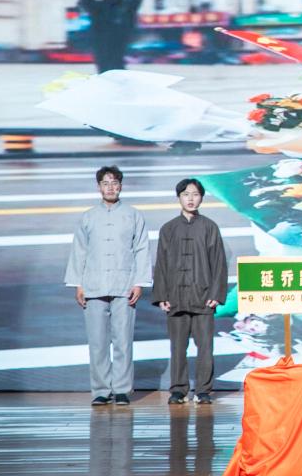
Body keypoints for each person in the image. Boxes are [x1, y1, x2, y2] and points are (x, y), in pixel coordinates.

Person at [64, 165, 151, 406]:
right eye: (105, 183)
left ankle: (122, 390)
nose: (110, 187)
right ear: (99, 187)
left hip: (125, 285)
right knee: (98, 342)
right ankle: (101, 390)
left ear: (121, 186)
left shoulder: (133, 215)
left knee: (123, 340)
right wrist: (78, 284)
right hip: (93, 285)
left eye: (114, 183)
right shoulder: (89, 216)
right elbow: (79, 250)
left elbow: (142, 249)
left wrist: (139, 282)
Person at [151, 178, 229, 405]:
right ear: (179, 198)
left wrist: (216, 294)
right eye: (186, 194)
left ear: (201, 198)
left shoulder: (209, 227)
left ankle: (203, 390)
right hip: (175, 296)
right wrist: (161, 296)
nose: (191, 199)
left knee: (205, 347)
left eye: (195, 194)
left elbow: (219, 263)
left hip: (203, 297)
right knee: (178, 347)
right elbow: (161, 263)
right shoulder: (168, 228)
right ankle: (178, 390)